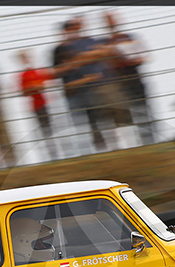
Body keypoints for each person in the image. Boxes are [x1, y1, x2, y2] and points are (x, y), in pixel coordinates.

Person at [52, 17, 130, 153]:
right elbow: (56, 71)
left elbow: (107, 52)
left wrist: (81, 58)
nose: (76, 28)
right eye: (72, 26)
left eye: (77, 25)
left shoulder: (91, 40)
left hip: (99, 85)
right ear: (65, 30)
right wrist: (87, 58)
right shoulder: (60, 48)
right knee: (91, 124)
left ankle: (119, 147)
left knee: (113, 117)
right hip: (79, 91)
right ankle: (100, 151)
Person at [102, 10, 156, 145]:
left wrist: (126, 58)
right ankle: (131, 146)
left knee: (143, 112)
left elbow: (145, 56)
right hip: (118, 84)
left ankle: (149, 142)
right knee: (123, 117)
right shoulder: (105, 42)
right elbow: (107, 62)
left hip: (135, 80)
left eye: (113, 18)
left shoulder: (130, 37)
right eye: (108, 19)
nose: (111, 22)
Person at [17, 49, 59, 160]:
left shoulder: (41, 71)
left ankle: (58, 153)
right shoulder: (24, 75)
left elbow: (52, 81)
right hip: (37, 106)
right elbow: (23, 92)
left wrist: (37, 86)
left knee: (55, 128)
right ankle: (51, 155)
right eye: (23, 57)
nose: (26, 59)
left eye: (27, 57)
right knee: (45, 131)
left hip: (51, 103)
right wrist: (33, 87)